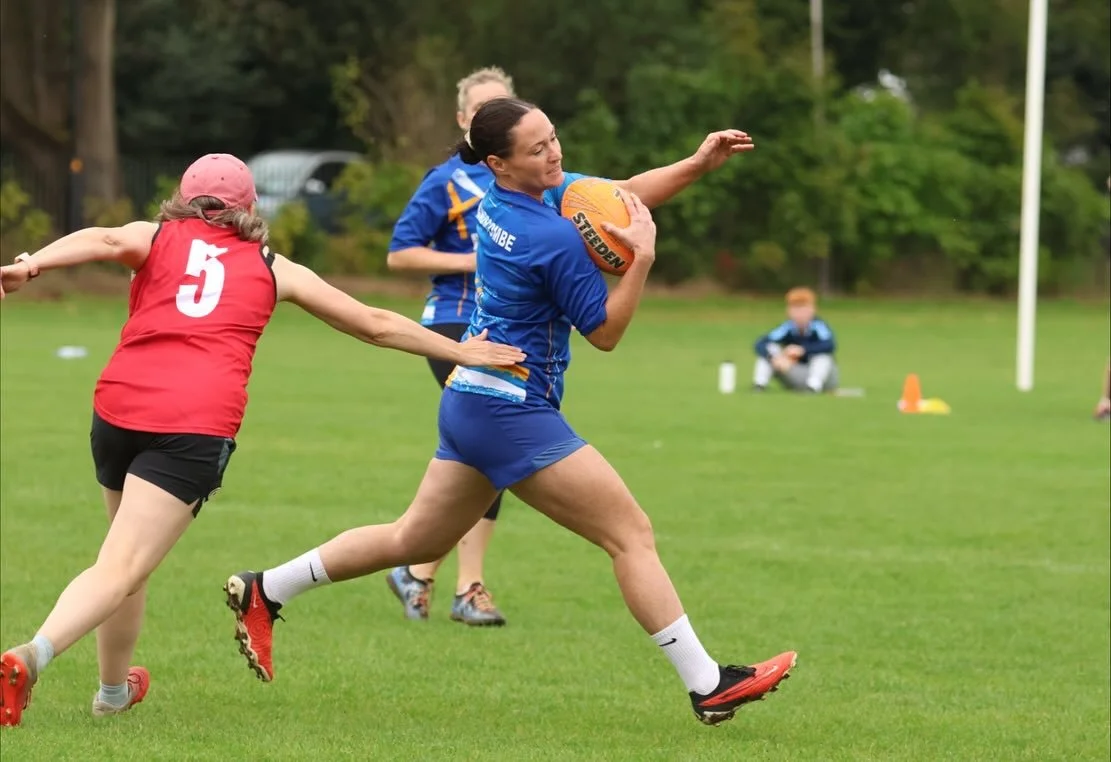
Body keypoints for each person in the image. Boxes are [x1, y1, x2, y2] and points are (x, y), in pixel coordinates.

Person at [225, 98, 796, 726]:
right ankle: (708, 685)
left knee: (412, 539)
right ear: (499, 161)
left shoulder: (509, 199)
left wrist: (697, 163)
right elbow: (604, 332)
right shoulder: (548, 236)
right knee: (629, 534)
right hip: (511, 410)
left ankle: (266, 587)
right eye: (538, 148)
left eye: (553, 138)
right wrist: (644, 263)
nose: (555, 153)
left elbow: (621, 196)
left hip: (472, 397)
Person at [0, 153, 525, 728]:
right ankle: (33, 654)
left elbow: (101, 237)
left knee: (121, 562)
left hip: (118, 408)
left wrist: (33, 265)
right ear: (250, 208)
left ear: (183, 198)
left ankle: (113, 693)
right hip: (192, 425)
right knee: (123, 566)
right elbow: (374, 322)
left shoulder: (154, 236)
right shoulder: (275, 268)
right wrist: (459, 349)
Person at [384, 66, 516, 627]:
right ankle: (466, 585)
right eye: (481, 112)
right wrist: (471, 259)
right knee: (499, 442)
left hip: (507, 327)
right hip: (453, 324)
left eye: (502, 110)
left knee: (485, 452)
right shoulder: (445, 182)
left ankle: (418, 570)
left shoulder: (527, 179)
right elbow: (400, 254)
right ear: (463, 122)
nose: (491, 121)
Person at [752, 287, 839, 393]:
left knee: (823, 357)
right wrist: (775, 358)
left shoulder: (819, 326)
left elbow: (829, 345)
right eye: (795, 309)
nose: (799, 314)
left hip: (823, 378)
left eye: (803, 308)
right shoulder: (787, 327)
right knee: (770, 349)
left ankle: (813, 387)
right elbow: (760, 343)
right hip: (795, 372)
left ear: (812, 309)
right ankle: (759, 385)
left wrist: (802, 350)